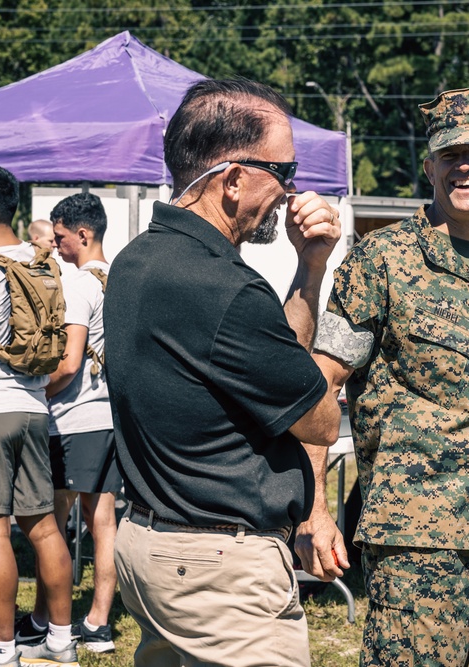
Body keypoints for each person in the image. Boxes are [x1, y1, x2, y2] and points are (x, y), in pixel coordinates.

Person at [307, 87, 469, 666]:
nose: (465, 166)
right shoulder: (382, 260)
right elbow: (320, 384)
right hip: (418, 544)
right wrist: (315, 510)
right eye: (450, 155)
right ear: (429, 166)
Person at [103, 78, 342, 667]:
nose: (292, 190)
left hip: (151, 545)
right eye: (282, 170)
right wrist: (313, 275)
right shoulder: (224, 288)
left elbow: (267, 362)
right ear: (233, 179)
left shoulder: (139, 258)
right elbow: (320, 420)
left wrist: (307, 267)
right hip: (219, 571)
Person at [0, 166, 76, 667]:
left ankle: (2, 650)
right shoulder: (46, 268)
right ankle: (60, 640)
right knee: (44, 527)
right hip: (34, 408)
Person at [13, 193, 120, 654]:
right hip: (110, 417)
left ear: (83, 233)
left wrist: (35, 392)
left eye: (58, 237)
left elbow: (70, 362)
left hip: (73, 418)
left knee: (47, 526)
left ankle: (43, 619)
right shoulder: (118, 279)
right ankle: (98, 623)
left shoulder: (76, 285)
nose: (54, 246)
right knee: (105, 523)